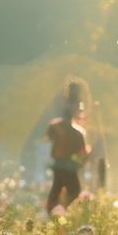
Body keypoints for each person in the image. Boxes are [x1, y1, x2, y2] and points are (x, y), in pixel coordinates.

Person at [46, 81, 90, 214]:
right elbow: (81, 152)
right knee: (73, 190)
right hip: (68, 163)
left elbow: (50, 137)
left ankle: (55, 211)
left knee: (57, 188)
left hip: (60, 162)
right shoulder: (76, 132)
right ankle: (60, 210)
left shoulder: (58, 124)